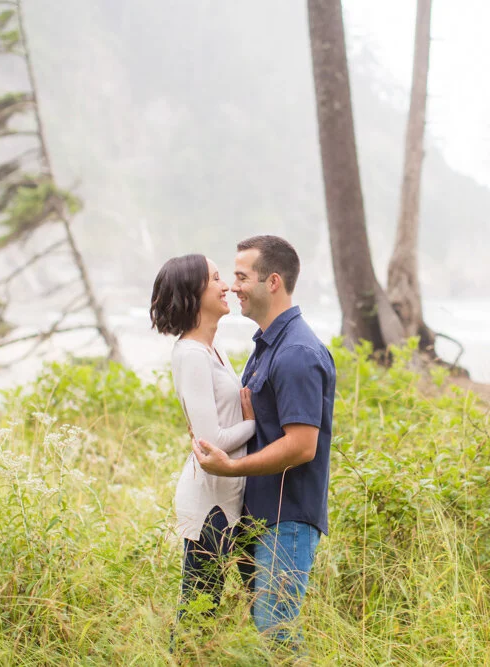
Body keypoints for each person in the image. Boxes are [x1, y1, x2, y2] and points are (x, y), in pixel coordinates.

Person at [193, 235, 336, 648]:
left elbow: (302, 445)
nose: (232, 286)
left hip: (287, 517)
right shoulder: (267, 346)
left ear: (272, 282)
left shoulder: (296, 352)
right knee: (268, 630)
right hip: (261, 515)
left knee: (277, 631)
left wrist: (232, 467)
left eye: (241, 277)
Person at [149, 254, 255, 618]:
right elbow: (212, 442)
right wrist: (255, 423)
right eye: (215, 279)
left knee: (250, 604)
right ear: (193, 292)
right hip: (210, 505)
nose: (226, 286)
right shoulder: (192, 354)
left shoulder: (213, 347)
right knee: (198, 615)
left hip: (230, 498)